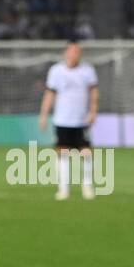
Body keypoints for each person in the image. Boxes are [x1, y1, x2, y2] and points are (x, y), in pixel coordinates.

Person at [39, 41, 99, 200]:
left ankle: (87, 186)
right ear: (66, 54)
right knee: (62, 154)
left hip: (81, 120)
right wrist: (44, 114)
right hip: (62, 120)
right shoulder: (56, 71)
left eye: (77, 52)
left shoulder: (88, 71)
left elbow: (94, 92)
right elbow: (50, 93)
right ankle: (63, 189)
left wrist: (93, 111)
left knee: (86, 153)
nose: (74, 55)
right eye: (72, 52)